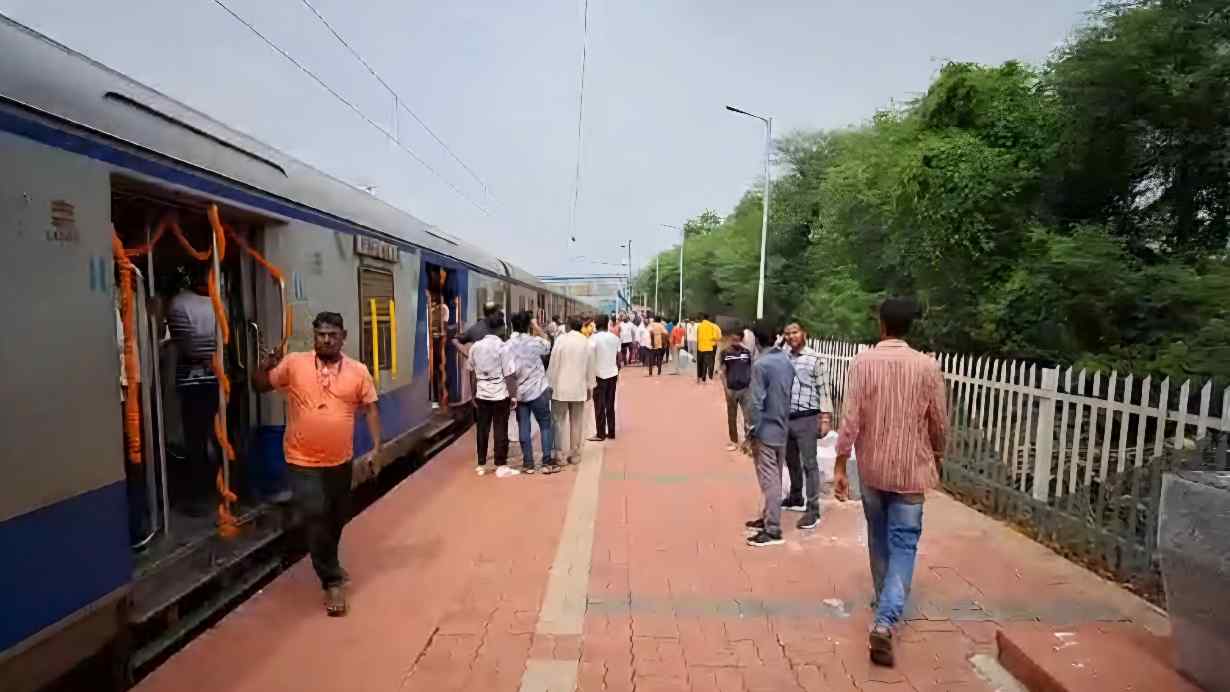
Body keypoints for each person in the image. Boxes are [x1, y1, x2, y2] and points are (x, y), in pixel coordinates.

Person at [834, 298, 947, 668]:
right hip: (912, 472)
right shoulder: (927, 366)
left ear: (881, 324)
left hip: (872, 469)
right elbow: (939, 423)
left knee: (878, 536)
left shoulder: (862, 363)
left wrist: (839, 463)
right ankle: (885, 620)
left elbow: (850, 418)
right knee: (904, 545)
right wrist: (939, 455)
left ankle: (884, 601)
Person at [253, 312, 381, 616]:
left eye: (332, 334)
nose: (326, 339)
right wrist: (266, 366)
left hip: (340, 459)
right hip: (301, 458)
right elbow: (260, 385)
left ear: (343, 336)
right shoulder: (294, 363)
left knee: (337, 516)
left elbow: (371, 410)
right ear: (314, 337)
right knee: (315, 512)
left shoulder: (358, 371)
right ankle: (331, 581)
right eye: (320, 334)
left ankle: (330, 560)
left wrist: (377, 448)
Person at [165, 267, 220, 516]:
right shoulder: (220, 302)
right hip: (213, 379)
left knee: (196, 438)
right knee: (210, 436)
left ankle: (201, 494)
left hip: (191, 379)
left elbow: (185, 345)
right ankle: (212, 490)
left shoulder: (178, 303)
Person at [743, 323, 793, 547]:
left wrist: (750, 429)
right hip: (782, 425)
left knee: (769, 479)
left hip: (765, 428)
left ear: (756, 340)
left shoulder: (761, 365)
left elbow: (755, 402)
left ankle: (773, 528)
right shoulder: (785, 361)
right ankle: (767, 516)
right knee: (776, 476)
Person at [781, 322, 831, 531]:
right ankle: (795, 496)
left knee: (809, 464)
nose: (791, 336)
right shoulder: (783, 358)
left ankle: (813, 509)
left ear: (804, 334)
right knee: (790, 460)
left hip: (807, 418)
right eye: (788, 333)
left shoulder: (815, 359)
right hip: (787, 417)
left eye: (795, 332)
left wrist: (825, 418)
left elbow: (824, 388)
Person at [506, 311, 559, 474]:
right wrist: (536, 327)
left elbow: (507, 371)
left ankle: (528, 464)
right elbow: (549, 344)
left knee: (524, 427)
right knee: (545, 425)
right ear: (528, 325)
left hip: (520, 392)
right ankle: (546, 463)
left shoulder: (507, 345)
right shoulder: (535, 342)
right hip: (539, 389)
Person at [468, 311, 519, 478]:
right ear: (501, 328)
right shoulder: (503, 347)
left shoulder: (475, 347)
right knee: (500, 429)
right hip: (500, 395)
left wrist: (473, 393)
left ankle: (481, 465)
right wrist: (513, 396)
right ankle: (500, 465)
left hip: (481, 394)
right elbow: (509, 374)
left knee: (482, 429)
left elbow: (471, 372)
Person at [547, 316, 595, 464]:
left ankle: (559, 455)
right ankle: (575, 454)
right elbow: (590, 368)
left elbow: (553, 364)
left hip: (560, 388)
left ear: (568, 326)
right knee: (577, 422)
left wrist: (550, 384)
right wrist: (590, 387)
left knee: (558, 421)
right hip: (579, 388)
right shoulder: (586, 342)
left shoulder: (561, 341)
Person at [719, 330, 754, 452]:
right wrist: (726, 388)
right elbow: (722, 372)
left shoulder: (747, 352)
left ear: (742, 339)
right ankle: (734, 441)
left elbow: (751, 369)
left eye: (737, 339)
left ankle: (748, 441)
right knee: (732, 417)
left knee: (748, 417)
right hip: (731, 390)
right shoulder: (725, 353)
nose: (735, 341)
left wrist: (751, 386)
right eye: (733, 339)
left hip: (746, 389)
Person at [588, 314, 621, 441]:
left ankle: (601, 433)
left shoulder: (593, 338)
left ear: (596, 324)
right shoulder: (614, 338)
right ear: (607, 323)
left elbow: (589, 355)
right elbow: (619, 357)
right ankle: (611, 432)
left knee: (599, 406)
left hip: (599, 375)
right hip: (612, 374)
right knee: (610, 404)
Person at [696, 314, 721, 384]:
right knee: (705, 364)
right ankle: (704, 379)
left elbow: (697, 337)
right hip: (708, 347)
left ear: (703, 318)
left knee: (699, 363)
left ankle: (699, 378)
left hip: (700, 347)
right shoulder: (711, 326)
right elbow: (715, 337)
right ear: (709, 318)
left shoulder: (699, 326)